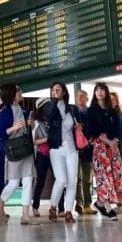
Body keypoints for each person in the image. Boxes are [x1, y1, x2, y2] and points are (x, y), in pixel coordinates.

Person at [0, 83, 38, 225]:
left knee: (28, 181)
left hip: (26, 149)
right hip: (13, 151)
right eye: (18, 90)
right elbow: (0, 134)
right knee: (13, 182)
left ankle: (25, 215)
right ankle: (0, 204)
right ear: (12, 94)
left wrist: (29, 124)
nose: (21, 92)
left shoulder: (24, 110)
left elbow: (26, 131)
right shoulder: (5, 112)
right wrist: (14, 127)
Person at [44, 81, 83, 223]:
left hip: (72, 148)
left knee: (72, 181)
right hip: (56, 148)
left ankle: (68, 211)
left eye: (58, 90)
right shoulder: (49, 106)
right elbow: (48, 116)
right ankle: (53, 207)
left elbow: (79, 124)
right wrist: (54, 100)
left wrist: (79, 126)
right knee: (61, 180)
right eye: (53, 90)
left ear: (64, 92)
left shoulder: (72, 109)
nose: (55, 92)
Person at [87, 82, 122, 219]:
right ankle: (108, 208)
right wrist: (107, 141)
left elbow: (118, 130)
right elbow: (92, 131)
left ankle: (100, 203)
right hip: (100, 147)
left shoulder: (113, 111)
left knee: (115, 175)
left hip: (113, 147)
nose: (100, 92)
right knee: (103, 177)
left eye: (102, 90)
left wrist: (115, 142)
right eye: (97, 90)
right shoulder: (91, 111)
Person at [30, 97, 53, 218]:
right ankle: (35, 207)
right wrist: (47, 139)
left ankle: (59, 208)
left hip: (54, 154)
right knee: (40, 181)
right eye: (47, 106)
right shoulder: (37, 123)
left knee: (58, 180)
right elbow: (34, 141)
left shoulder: (53, 120)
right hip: (41, 155)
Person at [73, 89, 95, 214]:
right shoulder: (73, 112)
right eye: (78, 96)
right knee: (77, 179)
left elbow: (95, 128)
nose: (80, 99)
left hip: (88, 149)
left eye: (83, 97)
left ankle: (87, 204)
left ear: (87, 99)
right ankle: (79, 203)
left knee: (87, 179)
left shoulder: (91, 113)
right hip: (76, 149)